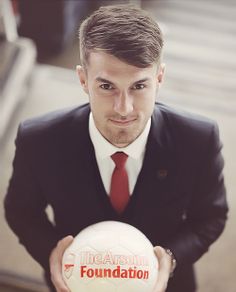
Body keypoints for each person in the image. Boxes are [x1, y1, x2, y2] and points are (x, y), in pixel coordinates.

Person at [4, 5, 228, 292]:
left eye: (139, 86)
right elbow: (20, 210)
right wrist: (52, 254)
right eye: (107, 86)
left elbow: (211, 216)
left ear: (159, 79)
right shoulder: (38, 140)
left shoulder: (198, 139)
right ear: (83, 79)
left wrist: (169, 261)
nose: (124, 109)